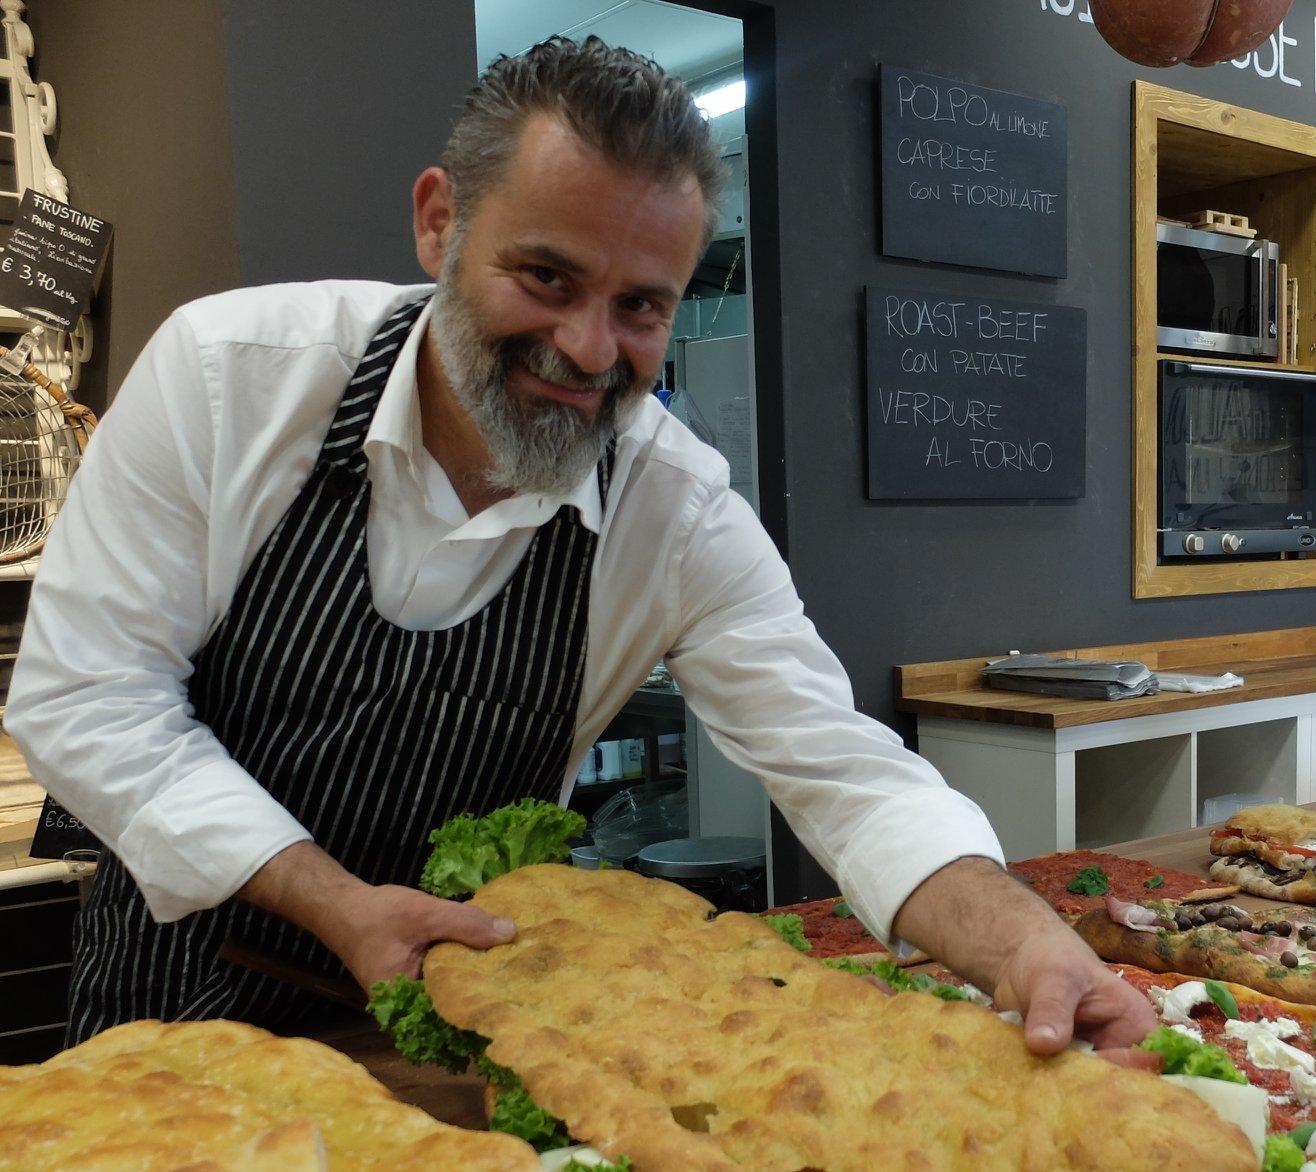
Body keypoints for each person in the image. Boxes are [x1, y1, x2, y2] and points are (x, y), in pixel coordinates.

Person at [6, 37, 1150, 1056]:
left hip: (459, 1033)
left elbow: (845, 775)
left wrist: (1023, 945)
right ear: (439, 220)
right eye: (545, 277)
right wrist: (337, 903)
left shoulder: (675, 509)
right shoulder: (229, 375)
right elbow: (87, 698)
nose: (587, 348)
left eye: (642, 307)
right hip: (172, 1019)